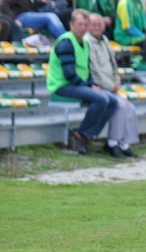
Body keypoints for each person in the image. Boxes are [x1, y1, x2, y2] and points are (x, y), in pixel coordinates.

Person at [46, 9, 119, 154]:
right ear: (71, 25)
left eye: (86, 24)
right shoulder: (66, 42)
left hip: (77, 84)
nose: (83, 28)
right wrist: (90, 86)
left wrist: (92, 84)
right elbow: (69, 74)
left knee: (113, 101)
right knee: (101, 99)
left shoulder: (84, 43)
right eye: (79, 24)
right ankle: (81, 135)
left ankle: (85, 135)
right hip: (63, 85)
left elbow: (86, 70)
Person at [84, 13, 139, 157]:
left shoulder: (105, 40)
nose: (97, 27)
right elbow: (95, 69)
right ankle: (112, 142)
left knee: (130, 107)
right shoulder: (87, 41)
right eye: (94, 25)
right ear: (88, 26)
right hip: (98, 85)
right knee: (119, 105)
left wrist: (116, 83)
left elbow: (113, 65)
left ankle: (124, 143)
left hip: (111, 85)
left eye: (99, 24)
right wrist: (110, 86)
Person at [0, 0, 66, 39]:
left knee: (52, 17)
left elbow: (31, 6)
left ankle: (58, 40)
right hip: (21, 16)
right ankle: (64, 39)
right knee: (50, 17)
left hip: (28, 15)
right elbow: (3, 4)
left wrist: (42, 2)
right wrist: (14, 19)